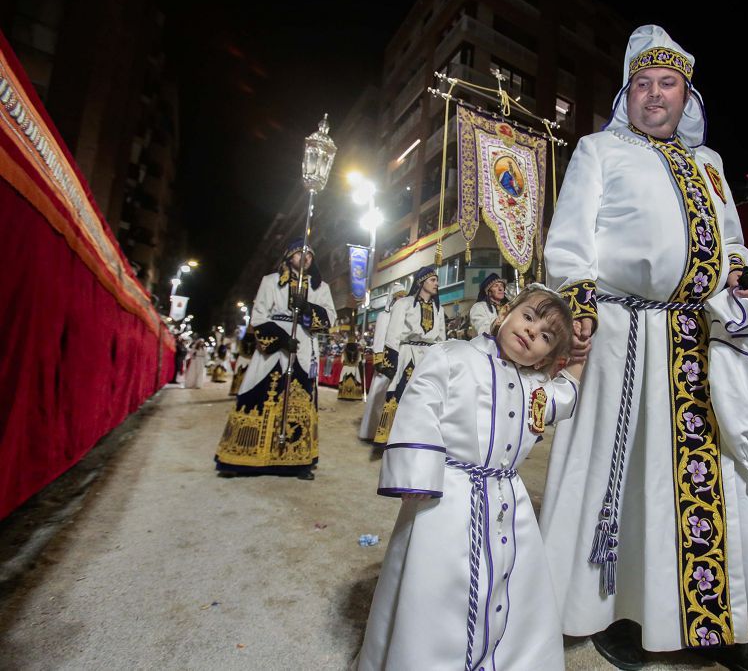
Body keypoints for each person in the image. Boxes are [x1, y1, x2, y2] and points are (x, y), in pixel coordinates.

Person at [539, 25, 748, 671]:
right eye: (645, 84)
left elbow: (732, 239)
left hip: (698, 336)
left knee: (721, 480)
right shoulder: (600, 150)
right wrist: (580, 307)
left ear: (688, 96)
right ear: (630, 94)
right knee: (625, 478)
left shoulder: (708, 165)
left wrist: (739, 270)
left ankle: (726, 627)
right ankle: (614, 612)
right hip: (622, 335)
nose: (657, 95)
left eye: (669, 84)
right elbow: (570, 242)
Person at [356, 286, 582, 671]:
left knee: (512, 585)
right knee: (435, 589)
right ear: (505, 312)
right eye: (528, 317)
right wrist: (419, 476)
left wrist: (578, 363)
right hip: (447, 497)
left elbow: (564, 400)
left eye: (545, 336)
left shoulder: (534, 388)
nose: (531, 332)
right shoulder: (452, 355)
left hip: (508, 501)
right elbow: (421, 403)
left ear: (548, 356)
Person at [214, 239, 336, 480]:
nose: (305, 258)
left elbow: (329, 317)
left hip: (304, 344)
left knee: (301, 399)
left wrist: (308, 308)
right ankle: (239, 458)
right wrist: (280, 339)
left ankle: (299, 462)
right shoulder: (270, 281)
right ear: (289, 256)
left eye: (309, 255)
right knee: (256, 392)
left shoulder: (321, 288)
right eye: (300, 253)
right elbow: (258, 315)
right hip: (273, 347)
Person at [372, 266, 446, 444]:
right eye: (433, 280)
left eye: (437, 280)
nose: (437, 284)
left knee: (427, 397)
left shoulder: (439, 309)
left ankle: (420, 437)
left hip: (428, 357)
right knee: (401, 393)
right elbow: (393, 335)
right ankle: (393, 439)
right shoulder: (403, 303)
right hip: (407, 354)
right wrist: (391, 363)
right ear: (422, 282)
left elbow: (441, 338)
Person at [358, 283, 407, 440]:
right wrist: (379, 362)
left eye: (404, 297)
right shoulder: (384, 316)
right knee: (378, 398)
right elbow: (379, 339)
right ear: (393, 299)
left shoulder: (404, 316)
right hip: (385, 362)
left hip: (399, 361)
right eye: (399, 297)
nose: (401, 300)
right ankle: (370, 432)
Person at [469, 272, 510, 337]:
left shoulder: (508, 307)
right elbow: (483, 332)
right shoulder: (479, 307)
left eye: (502, 285)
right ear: (489, 292)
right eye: (496, 286)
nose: (500, 288)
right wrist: (499, 322)